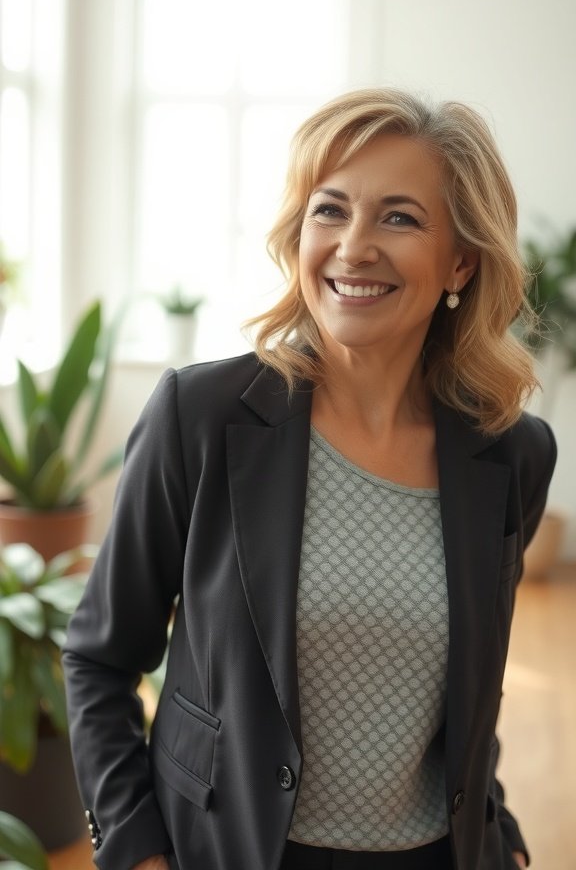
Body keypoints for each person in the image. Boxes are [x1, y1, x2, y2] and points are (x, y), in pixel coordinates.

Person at [63, 87, 556, 870]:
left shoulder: (511, 455)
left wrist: (506, 841)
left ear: (460, 258)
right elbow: (99, 658)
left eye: (399, 217)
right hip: (230, 851)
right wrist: (136, 853)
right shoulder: (199, 417)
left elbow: (468, 694)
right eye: (330, 211)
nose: (354, 247)